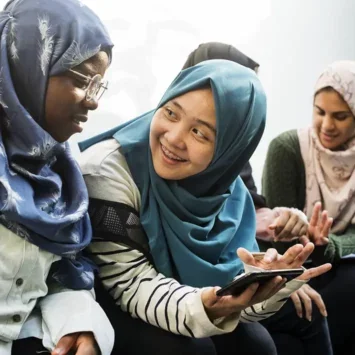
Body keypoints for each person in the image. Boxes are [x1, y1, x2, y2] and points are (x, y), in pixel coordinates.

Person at [79, 59, 331, 355]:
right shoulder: (107, 171)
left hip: (181, 299)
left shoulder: (227, 190)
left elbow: (236, 299)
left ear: (230, 149)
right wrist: (206, 306)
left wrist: (273, 284)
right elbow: (131, 286)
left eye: (200, 133)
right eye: (171, 113)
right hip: (110, 296)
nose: (173, 138)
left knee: (259, 346)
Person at [182, 41, 333, 355]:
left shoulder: (234, 141)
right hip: (186, 282)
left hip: (237, 269)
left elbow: (254, 209)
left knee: (309, 314)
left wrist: (283, 221)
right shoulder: (172, 142)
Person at [0, 0, 114, 354]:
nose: (92, 102)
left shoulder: (61, 167)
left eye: (99, 86)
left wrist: (80, 326)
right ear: (26, 66)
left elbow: (63, 275)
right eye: (82, 81)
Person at [262, 60, 355, 354]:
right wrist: (303, 235)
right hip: (291, 263)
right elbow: (274, 234)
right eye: (320, 112)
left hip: (339, 259)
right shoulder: (287, 149)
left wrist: (328, 246)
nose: (327, 125)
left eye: (340, 116)